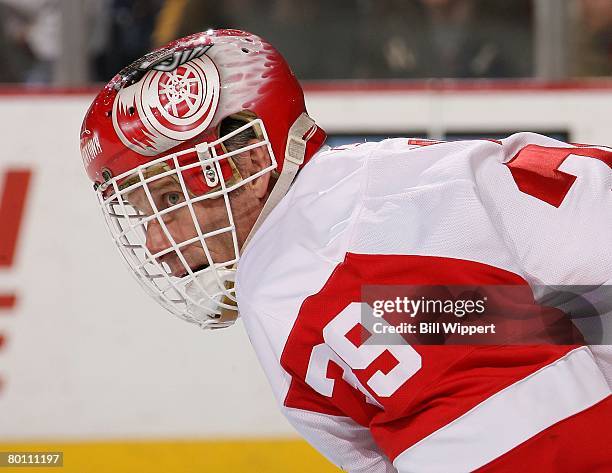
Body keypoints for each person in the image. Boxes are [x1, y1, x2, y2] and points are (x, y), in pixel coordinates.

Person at [79, 30, 612, 472]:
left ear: (242, 160)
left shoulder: (325, 270)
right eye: (140, 209)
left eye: (167, 197)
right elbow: (525, 328)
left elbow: (548, 446)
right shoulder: (354, 199)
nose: (154, 241)